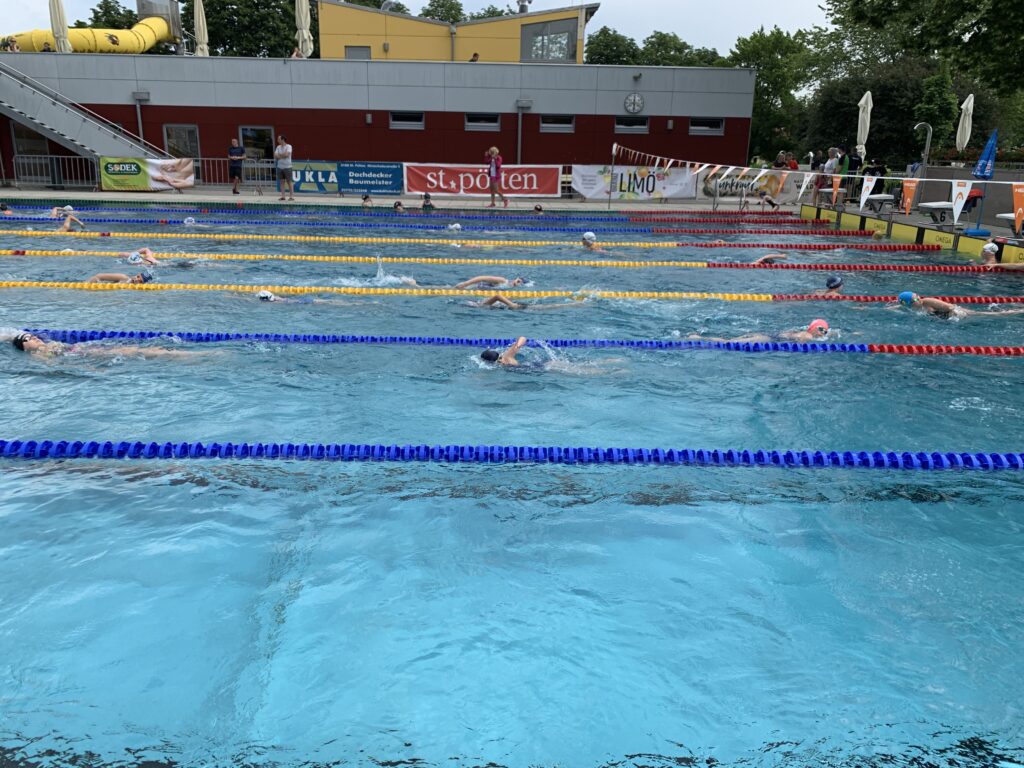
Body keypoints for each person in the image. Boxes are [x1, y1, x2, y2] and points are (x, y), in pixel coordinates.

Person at [11, 332, 201, 360]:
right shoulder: (38, 356)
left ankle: (184, 355)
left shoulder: (46, 347)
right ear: (23, 347)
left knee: (140, 351)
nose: (34, 338)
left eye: (33, 336)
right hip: (91, 355)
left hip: (90, 350)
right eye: (28, 339)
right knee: (139, 352)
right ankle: (189, 355)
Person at [688, 319, 832, 344]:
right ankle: (697, 338)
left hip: (769, 335)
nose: (823, 333)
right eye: (821, 329)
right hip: (768, 339)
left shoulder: (802, 331)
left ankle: (700, 337)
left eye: (825, 331)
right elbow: (800, 343)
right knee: (728, 342)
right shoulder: (807, 335)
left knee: (730, 340)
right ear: (813, 328)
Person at [895, 291, 1024, 318]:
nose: (919, 299)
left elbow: (950, 307)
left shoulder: (928, 301)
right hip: (945, 318)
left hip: (957, 314)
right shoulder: (910, 306)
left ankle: (1018, 311)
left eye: (918, 297)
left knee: (989, 314)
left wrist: (955, 316)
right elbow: (899, 305)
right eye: (916, 299)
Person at [275, 135, 294, 201]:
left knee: (289, 182)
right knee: (281, 182)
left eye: (279, 139)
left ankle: (291, 196)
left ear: (282, 140)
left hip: (287, 167)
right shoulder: (278, 147)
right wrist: (282, 155)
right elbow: (275, 155)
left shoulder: (289, 146)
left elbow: (287, 155)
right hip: (280, 167)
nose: (277, 140)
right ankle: (283, 196)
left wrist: (279, 156)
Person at [454, 275, 525, 289]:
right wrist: (465, 284)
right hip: (469, 286)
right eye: (518, 281)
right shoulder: (503, 280)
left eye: (519, 283)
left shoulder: (507, 288)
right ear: (515, 279)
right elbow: (482, 278)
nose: (517, 283)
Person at [85, 271, 154, 284]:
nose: (136, 280)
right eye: (138, 277)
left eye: (140, 281)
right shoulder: (123, 278)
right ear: (137, 274)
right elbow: (99, 276)